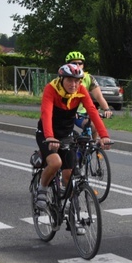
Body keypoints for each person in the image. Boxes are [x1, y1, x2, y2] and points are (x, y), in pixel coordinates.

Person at [35, 64, 112, 211]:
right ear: (62, 79)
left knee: (69, 174)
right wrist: (50, 137)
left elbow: (93, 112)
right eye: (70, 80)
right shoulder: (51, 89)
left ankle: (71, 211)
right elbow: (46, 114)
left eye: (77, 81)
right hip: (47, 133)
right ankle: (42, 189)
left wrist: (104, 136)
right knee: (55, 163)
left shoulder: (81, 90)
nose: (74, 84)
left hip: (66, 134)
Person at [65, 51, 112, 139]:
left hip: (84, 111)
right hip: (69, 111)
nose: (78, 66)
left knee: (95, 127)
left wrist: (107, 109)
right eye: (74, 63)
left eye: (80, 63)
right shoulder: (64, 78)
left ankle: (89, 149)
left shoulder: (88, 78)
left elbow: (99, 96)